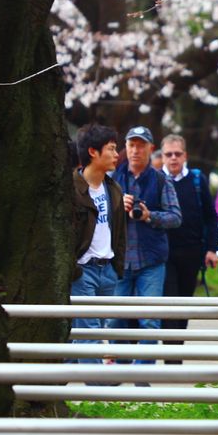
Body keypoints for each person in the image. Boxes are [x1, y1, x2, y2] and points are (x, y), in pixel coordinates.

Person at [109, 125, 181, 360]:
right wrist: (119, 206)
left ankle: (143, 374)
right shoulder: (112, 179)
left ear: (151, 149)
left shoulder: (161, 181)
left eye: (141, 146)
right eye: (131, 145)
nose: (135, 150)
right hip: (119, 260)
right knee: (114, 319)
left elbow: (175, 218)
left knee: (150, 320)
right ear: (125, 148)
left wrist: (151, 216)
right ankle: (117, 372)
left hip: (151, 260)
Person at [71, 123, 126, 351]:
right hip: (83, 271)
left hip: (108, 270)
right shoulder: (71, 189)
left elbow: (120, 232)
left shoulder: (113, 188)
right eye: (111, 148)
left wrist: (116, 267)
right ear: (93, 152)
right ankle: (97, 384)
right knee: (89, 335)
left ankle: (63, 373)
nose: (116, 154)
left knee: (96, 330)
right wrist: (73, 269)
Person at [160, 134, 218, 338]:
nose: (173, 158)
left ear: (185, 155)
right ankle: (172, 359)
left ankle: (176, 351)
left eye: (177, 154)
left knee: (184, 304)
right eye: (169, 154)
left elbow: (211, 217)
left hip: (192, 252)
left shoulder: (197, 179)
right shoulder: (157, 179)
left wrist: (212, 249)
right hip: (164, 253)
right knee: (169, 304)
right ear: (163, 156)